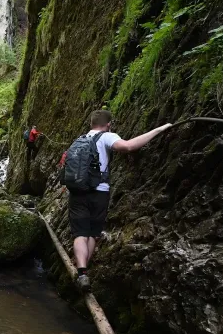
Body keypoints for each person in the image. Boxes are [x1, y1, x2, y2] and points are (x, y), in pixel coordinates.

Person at [69, 110, 172, 292]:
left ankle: (82, 272)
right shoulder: (107, 136)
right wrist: (159, 130)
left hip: (77, 191)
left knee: (80, 233)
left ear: (91, 123)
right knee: (93, 233)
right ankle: (85, 273)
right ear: (108, 124)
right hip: (99, 192)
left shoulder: (80, 139)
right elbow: (128, 146)